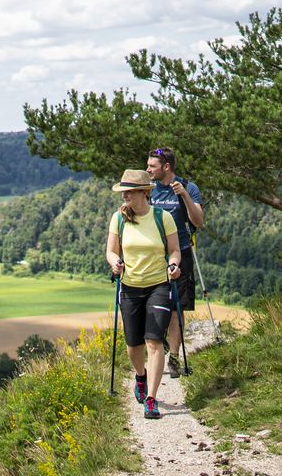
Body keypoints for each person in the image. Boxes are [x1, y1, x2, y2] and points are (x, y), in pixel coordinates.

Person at [106, 168, 181, 420]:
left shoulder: (163, 218)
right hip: (129, 286)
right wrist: (115, 262)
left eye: (129, 191)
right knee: (133, 345)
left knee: (154, 342)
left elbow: (174, 250)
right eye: (123, 191)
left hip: (158, 285)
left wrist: (174, 265)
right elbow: (111, 251)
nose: (125, 195)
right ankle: (141, 375)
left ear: (143, 193)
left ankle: (151, 398)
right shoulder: (118, 219)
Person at [146, 145, 204, 377]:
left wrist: (185, 197)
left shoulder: (188, 187)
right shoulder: (149, 190)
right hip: (153, 256)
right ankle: (157, 349)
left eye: (152, 166)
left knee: (175, 309)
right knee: (152, 305)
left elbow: (198, 222)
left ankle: (174, 358)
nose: (148, 170)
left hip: (181, 253)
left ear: (166, 167)